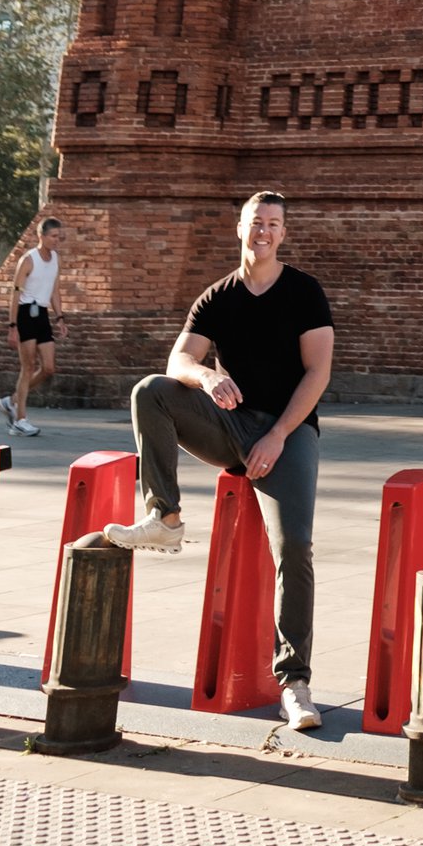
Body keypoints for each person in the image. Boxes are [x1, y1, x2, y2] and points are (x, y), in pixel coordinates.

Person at [105, 191, 333, 735]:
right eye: (256, 222)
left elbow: (318, 373)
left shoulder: (303, 291)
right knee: (151, 391)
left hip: (289, 433)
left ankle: (294, 683)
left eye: (273, 223)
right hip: (229, 426)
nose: (264, 231)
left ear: (283, 233)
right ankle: (164, 516)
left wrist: (277, 435)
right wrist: (207, 376)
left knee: (294, 548)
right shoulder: (217, 297)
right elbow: (179, 358)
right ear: (240, 228)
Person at [0, 215, 64, 434]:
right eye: (53, 236)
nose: (57, 240)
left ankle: (12, 401)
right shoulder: (28, 259)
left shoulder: (55, 259)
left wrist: (60, 318)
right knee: (27, 367)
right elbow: (15, 293)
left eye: (59, 237)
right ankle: (19, 420)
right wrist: (12, 326)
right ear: (41, 236)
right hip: (25, 313)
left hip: (42, 314)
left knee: (48, 368)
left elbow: (55, 291)